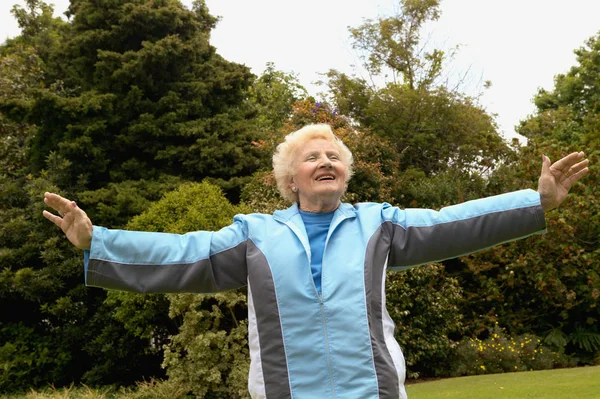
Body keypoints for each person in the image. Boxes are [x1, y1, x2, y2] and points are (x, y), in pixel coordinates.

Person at [43, 124, 589, 399]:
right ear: (290, 178)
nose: (325, 161)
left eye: (334, 157)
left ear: (345, 175)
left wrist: (532, 201)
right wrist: (99, 241)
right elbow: (185, 253)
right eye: (312, 157)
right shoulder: (255, 234)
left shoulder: (380, 223)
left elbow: (451, 221)